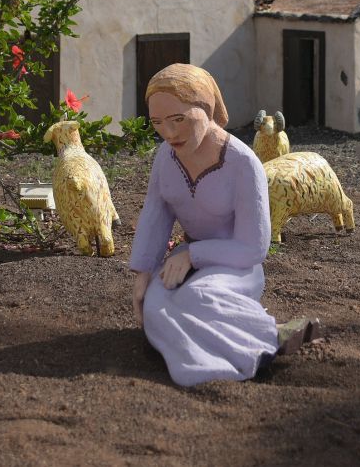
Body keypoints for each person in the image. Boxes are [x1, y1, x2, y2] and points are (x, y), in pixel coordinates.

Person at [130, 63, 321, 386]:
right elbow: (155, 212)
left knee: (200, 296)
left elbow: (253, 248)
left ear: (206, 108)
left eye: (179, 120)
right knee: (156, 306)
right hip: (188, 258)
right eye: (158, 123)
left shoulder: (243, 164)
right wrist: (143, 272)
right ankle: (201, 368)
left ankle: (268, 341)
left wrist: (193, 255)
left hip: (236, 265)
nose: (169, 133)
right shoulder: (165, 157)